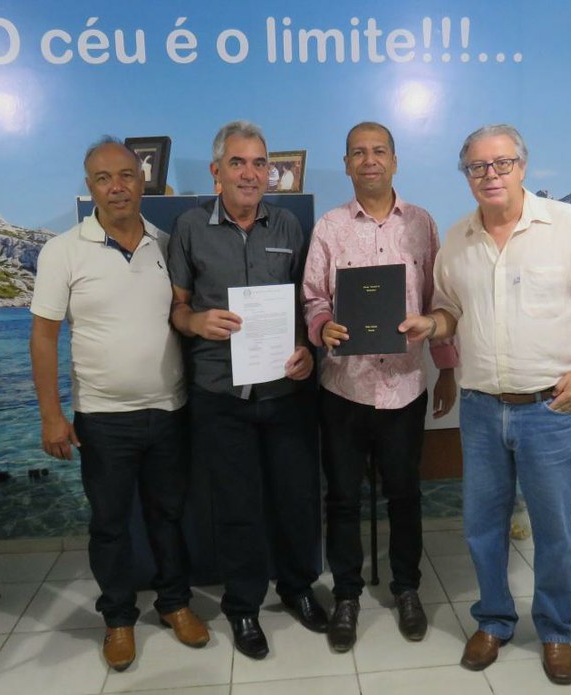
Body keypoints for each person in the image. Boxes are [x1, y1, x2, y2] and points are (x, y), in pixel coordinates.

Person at [400, 124, 571, 685]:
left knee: (554, 531)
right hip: (481, 410)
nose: (490, 175)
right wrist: (431, 325)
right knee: (482, 526)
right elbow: (451, 310)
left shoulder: (569, 228)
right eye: (478, 167)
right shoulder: (458, 241)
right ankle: (494, 620)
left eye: (501, 163)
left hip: (549, 411)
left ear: (522, 167)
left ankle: (555, 631)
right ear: (467, 176)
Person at [29, 137, 209, 672]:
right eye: (104, 178)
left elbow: (183, 316)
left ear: (142, 181)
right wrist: (51, 415)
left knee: (167, 516)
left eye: (126, 175)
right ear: (90, 187)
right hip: (103, 418)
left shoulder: (166, 244)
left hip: (169, 409)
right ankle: (118, 618)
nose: (117, 187)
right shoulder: (63, 251)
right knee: (109, 524)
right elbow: (43, 338)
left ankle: (174, 604)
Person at [167, 120, 326, 660]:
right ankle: (243, 607)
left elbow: (307, 305)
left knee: (295, 499)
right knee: (236, 508)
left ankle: (298, 588)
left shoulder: (289, 226)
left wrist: (307, 349)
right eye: (238, 163)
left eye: (260, 163)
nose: (250, 173)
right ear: (217, 171)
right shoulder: (190, 227)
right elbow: (177, 308)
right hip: (219, 393)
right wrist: (195, 322)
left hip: (285, 390)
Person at [302, 121, 458, 652]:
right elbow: (314, 297)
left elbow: (438, 300)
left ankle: (407, 588)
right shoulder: (329, 227)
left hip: (404, 386)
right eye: (358, 152)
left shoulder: (422, 223)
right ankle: (346, 595)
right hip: (343, 388)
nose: (369, 160)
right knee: (343, 497)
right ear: (346, 164)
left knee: (405, 494)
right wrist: (322, 326)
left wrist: (447, 367)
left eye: (379, 151)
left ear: (394, 160)